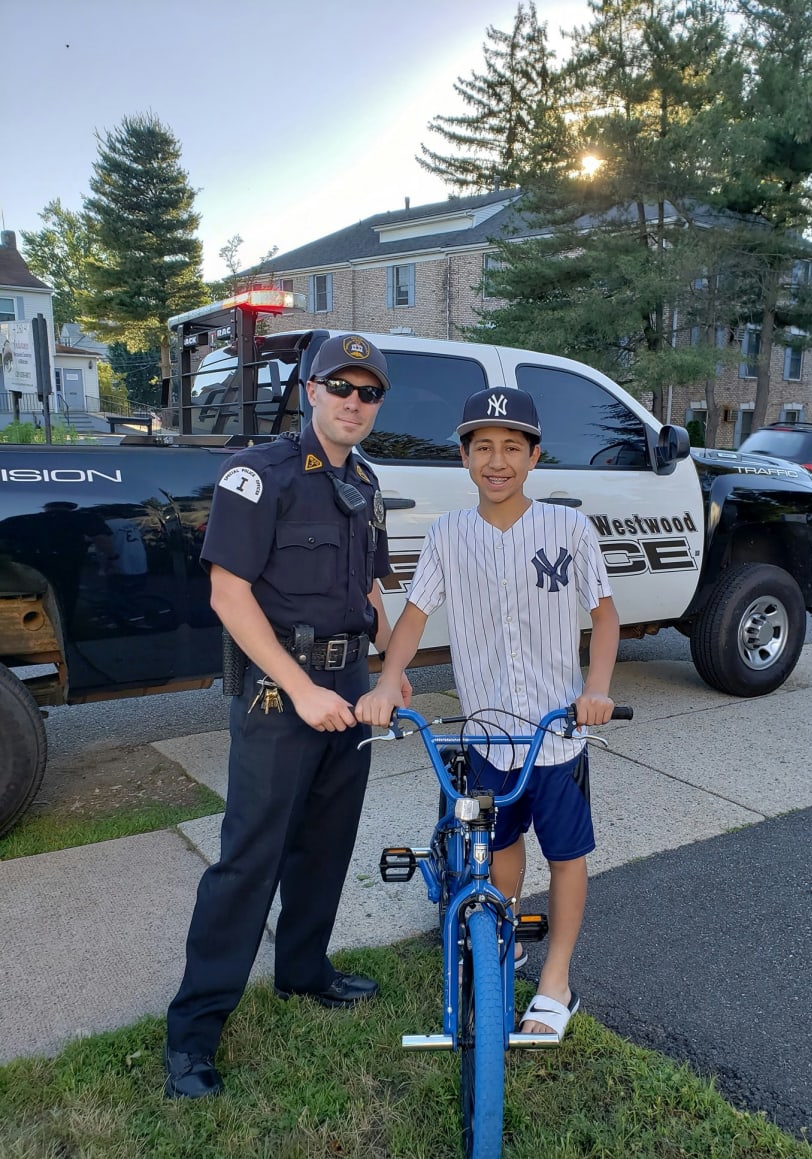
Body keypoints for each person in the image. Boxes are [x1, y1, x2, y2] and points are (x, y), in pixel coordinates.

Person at [164, 334, 411, 1098]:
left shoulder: (365, 483)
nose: (353, 402)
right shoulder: (258, 475)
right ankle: (194, 1036)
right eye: (341, 385)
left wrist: (392, 672)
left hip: (351, 682)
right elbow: (228, 596)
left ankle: (304, 973)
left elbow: (374, 595)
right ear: (310, 389)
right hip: (281, 693)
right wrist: (301, 688)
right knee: (250, 859)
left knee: (326, 845)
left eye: (368, 392)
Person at [356, 387, 619, 1039]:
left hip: (557, 736)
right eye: (482, 448)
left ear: (534, 456)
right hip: (487, 737)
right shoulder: (449, 535)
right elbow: (414, 616)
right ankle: (505, 938)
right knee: (499, 851)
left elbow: (605, 614)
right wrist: (390, 678)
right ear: (465, 457)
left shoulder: (568, 528)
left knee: (565, 853)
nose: (496, 461)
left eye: (510, 447)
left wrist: (598, 687)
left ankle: (555, 981)